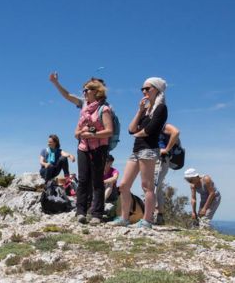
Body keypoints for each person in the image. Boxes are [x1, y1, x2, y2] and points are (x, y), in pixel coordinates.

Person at [50, 73, 114, 224]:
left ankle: (97, 214)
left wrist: (92, 134)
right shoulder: (84, 107)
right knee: (83, 179)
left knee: (97, 181)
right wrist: (55, 83)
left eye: (86, 90)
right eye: (83, 90)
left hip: (99, 148)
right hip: (83, 147)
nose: (83, 93)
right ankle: (81, 212)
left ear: (95, 91)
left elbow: (109, 131)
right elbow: (68, 96)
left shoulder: (104, 109)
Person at [112, 77, 167, 228]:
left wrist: (140, 133)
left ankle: (147, 220)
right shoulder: (146, 110)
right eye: (142, 89)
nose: (144, 91)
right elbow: (131, 129)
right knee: (123, 185)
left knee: (146, 186)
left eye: (147, 88)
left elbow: (151, 130)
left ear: (156, 89)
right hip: (136, 150)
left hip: (148, 150)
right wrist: (140, 110)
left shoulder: (161, 108)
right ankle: (124, 218)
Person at [154, 123, 180, 225]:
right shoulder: (154, 125)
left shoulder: (163, 125)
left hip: (161, 158)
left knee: (152, 186)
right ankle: (159, 216)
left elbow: (176, 132)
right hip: (157, 158)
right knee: (158, 188)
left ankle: (150, 215)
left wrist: (166, 149)